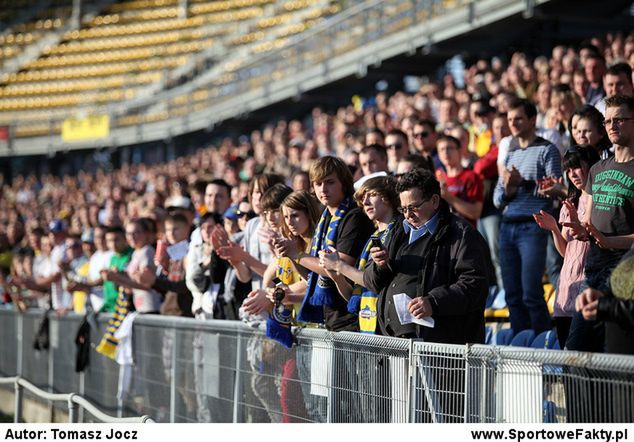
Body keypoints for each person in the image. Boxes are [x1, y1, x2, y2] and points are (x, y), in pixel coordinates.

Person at [364, 168, 492, 343]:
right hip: (393, 342)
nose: (408, 215)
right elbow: (371, 282)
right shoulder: (397, 230)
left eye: (414, 207)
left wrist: (434, 302)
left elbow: (475, 285)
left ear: (434, 200)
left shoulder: (462, 234)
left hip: (440, 350)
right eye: (403, 209)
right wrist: (380, 266)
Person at [280, 156, 374, 331]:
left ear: (344, 183)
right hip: (332, 317)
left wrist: (298, 255)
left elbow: (338, 266)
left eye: (329, 182)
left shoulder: (353, 216)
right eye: (318, 183)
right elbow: (309, 277)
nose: (323, 189)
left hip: (353, 318)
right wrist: (291, 255)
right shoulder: (326, 218)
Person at [493, 98, 562, 334]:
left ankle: (542, 344)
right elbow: (497, 198)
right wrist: (510, 189)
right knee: (512, 294)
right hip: (508, 226)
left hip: (533, 227)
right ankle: (521, 345)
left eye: (518, 118)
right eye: (510, 119)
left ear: (533, 120)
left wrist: (522, 184)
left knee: (531, 291)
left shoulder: (547, 150)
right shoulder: (511, 155)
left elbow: (555, 191)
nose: (512, 123)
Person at [533, 145, 600, 346]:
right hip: (567, 288)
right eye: (569, 170)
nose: (573, 174)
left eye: (577, 167)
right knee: (567, 353)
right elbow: (564, 251)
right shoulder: (570, 202)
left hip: (588, 285)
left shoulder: (601, 200)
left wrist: (584, 229)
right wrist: (554, 228)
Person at [318, 175, 400, 334]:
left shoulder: (400, 232)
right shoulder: (372, 239)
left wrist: (339, 265)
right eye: (363, 198)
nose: (366, 202)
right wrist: (336, 275)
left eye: (372, 195)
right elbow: (353, 297)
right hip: (366, 326)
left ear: (388, 197)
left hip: (389, 329)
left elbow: (374, 282)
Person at [435, 135, 484, 227]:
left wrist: (449, 197)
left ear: (459, 151)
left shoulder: (471, 176)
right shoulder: (437, 179)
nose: (445, 152)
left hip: (466, 234)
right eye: (441, 149)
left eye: (449, 148)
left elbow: (476, 212)